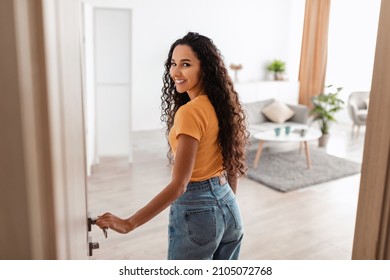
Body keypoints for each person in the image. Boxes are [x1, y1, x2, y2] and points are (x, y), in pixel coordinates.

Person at [96, 32, 248, 260]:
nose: (175, 72)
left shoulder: (190, 112)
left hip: (199, 214)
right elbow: (232, 166)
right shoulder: (224, 105)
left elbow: (179, 185)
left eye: (185, 64)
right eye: (173, 64)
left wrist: (129, 223)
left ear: (204, 68)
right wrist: (224, 207)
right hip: (230, 209)